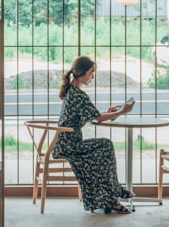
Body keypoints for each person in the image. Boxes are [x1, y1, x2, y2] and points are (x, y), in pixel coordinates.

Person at [55, 55, 135, 215]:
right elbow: (96, 118)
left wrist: (112, 113)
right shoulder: (78, 95)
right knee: (104, 146)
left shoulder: (72, 91)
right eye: (91, 73)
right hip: (70, 146)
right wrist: (122, 111)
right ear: (81, 73)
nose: (92, 76)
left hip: (69, 142)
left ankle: (112, 196)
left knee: (103, 149)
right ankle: (114, 195)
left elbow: (94, 116)